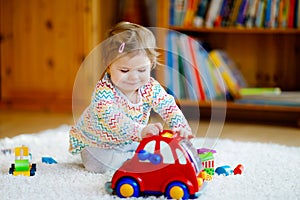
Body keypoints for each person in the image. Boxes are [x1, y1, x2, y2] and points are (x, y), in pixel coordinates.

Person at [69, 21, 192, 173]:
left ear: (151, 64)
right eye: (124, 70)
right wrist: (140, 130)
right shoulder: (104, 91)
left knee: (150, 148)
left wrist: (180, 127)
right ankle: (129, 161)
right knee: (100, 165)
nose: (133, 77)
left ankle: (131, 158)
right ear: (108, 66)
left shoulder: (149, 87)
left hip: (128, 140)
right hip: (98, 145)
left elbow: (168, 106)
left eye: (141, 70)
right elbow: (111, 118)